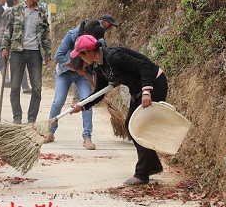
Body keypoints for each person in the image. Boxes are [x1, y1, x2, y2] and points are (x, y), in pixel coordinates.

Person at [70, 35, 168, 186]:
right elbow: (99, 92)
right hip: (137, 89)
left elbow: (144, 66)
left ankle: (142, 174)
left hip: (154, 83)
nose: (81, 59)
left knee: (140, 127)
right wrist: (82, 105)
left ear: (87, 52)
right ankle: (152, 165)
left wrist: (146, 91)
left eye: (80, 55)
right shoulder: (98, 67)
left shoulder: (114, 57)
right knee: (130, 125)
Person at [45, 21, 106, 150]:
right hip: (65, 72)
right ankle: (50, 132)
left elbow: (100, 60)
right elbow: (59, 56)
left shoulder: (99, 40)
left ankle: (87, 137)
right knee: (58, 101)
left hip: (84, 74)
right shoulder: (72, 35)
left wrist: (87, 65)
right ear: (84, 33)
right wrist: (74, 67)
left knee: (86, 101)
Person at [1, 0, 51, 124]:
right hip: (17, 52)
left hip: (35, 53)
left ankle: (31, 118)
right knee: (15, 86)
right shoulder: (16, 10)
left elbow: (46, 34)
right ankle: (17, 116)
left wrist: (48, 52)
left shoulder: (42, 12)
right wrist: (4, 48)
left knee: (37, 87)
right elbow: (8, 30)